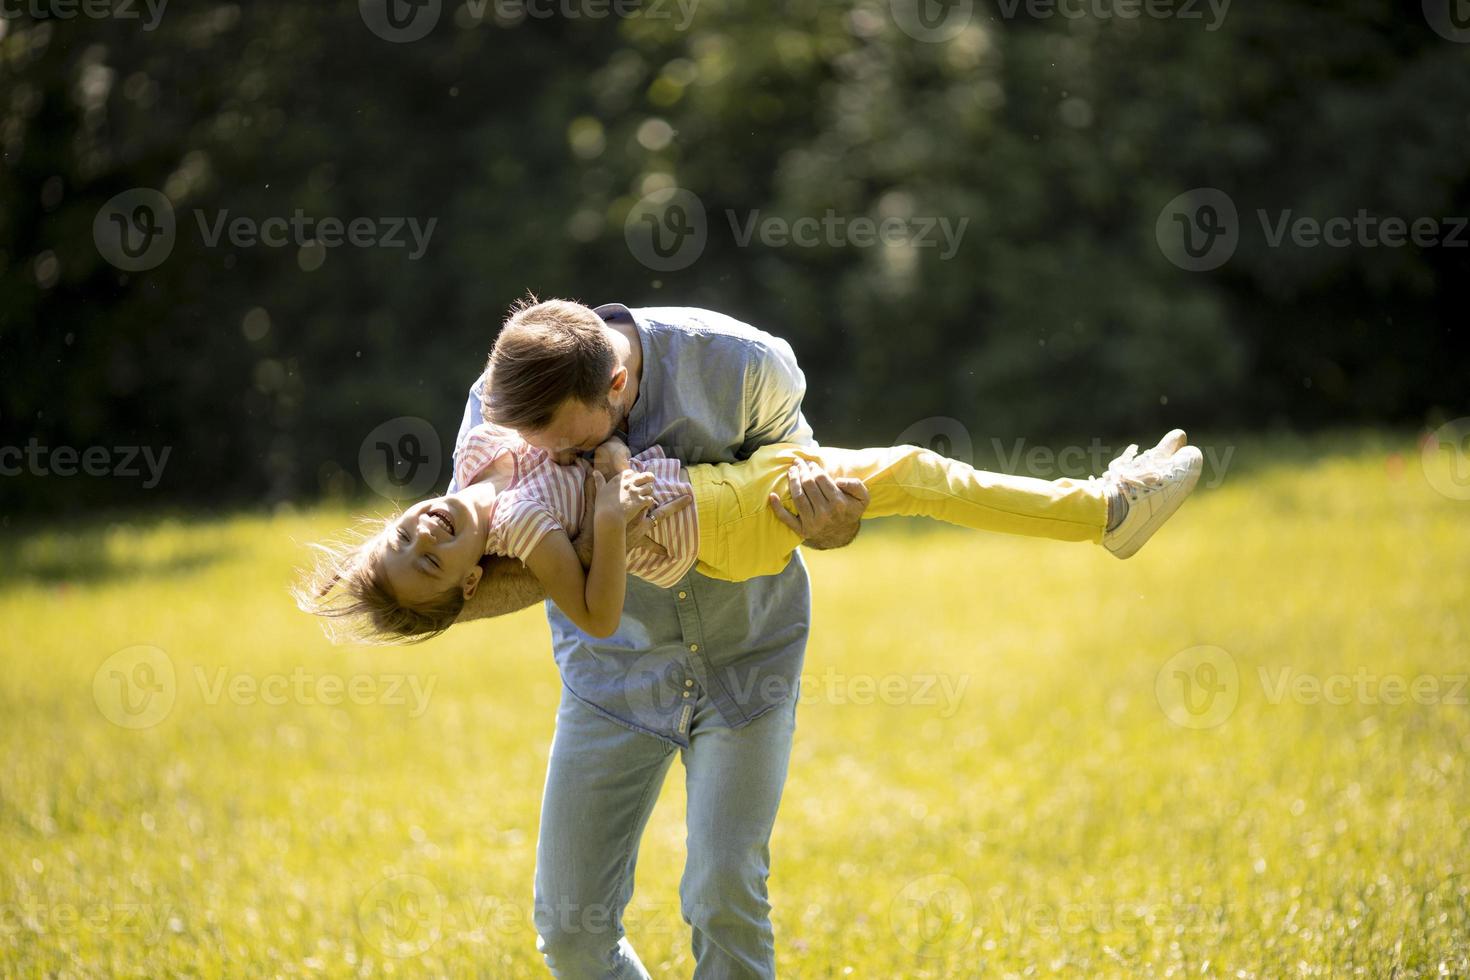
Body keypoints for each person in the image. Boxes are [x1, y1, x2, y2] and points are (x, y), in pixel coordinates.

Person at [303, 423, 1199, 642]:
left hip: (714, 492)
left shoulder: (481, 452)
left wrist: (612, 453)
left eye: (405, 538)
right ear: (467, 582)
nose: (428, 536)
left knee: (920, 477)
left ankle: (1102, 504)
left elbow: (582, 429)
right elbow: (599, 614)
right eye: (434, 562)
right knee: (919, 476)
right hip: (723, 518)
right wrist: (611, 516)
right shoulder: (531, 530)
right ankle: (1107, 511)